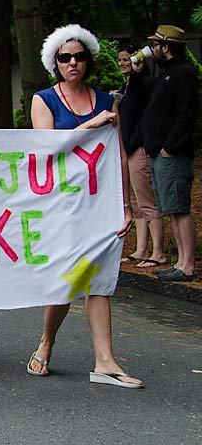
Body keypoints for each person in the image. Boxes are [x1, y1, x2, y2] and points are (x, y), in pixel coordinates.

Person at [25, 24, 142, 388]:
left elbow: (118, 156)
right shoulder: (44, 100)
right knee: (68, 278)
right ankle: (46, 342)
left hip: (99, 201)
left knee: (99, 278)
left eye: (79, 56)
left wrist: (125, 204)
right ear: (55, 62)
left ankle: (105, 361)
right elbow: (48, 149)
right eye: (65, 57)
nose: (72, 63)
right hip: (60, 203)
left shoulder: (107, 102)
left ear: (88, 60)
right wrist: (92, 125)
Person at [140, 25, 198, 282]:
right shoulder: (166, 73)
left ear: (165, 47)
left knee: (180, 208)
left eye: (155, 45)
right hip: (159, 152)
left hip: (172, 154)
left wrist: (169, 147)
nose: (152, 49)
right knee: (172, 209)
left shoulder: (183, 72)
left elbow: (187, 114)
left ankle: (188, 265)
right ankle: (181, 262)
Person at [115, 45, 166, 269]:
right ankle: (141, 248)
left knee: (146, 199)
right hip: (127, 147)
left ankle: (158, 251)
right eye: (120, 60)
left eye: (127, 59)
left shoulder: (143, 84)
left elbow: (144, 115)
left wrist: (136, 142)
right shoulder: (125, 87)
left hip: (138, 147)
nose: (122, 63)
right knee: (134, 201)